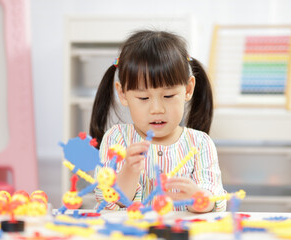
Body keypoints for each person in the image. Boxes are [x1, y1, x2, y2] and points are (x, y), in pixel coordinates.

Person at [90, 30, 226, 213]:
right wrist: (129, 169)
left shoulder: (200, 144)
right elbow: (110, 201)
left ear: (188, 89)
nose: (157, 109)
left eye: (168, 95)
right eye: (143, 98)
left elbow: (213, 198)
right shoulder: (117, 139)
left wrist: (197, 198)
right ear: (123, 94)